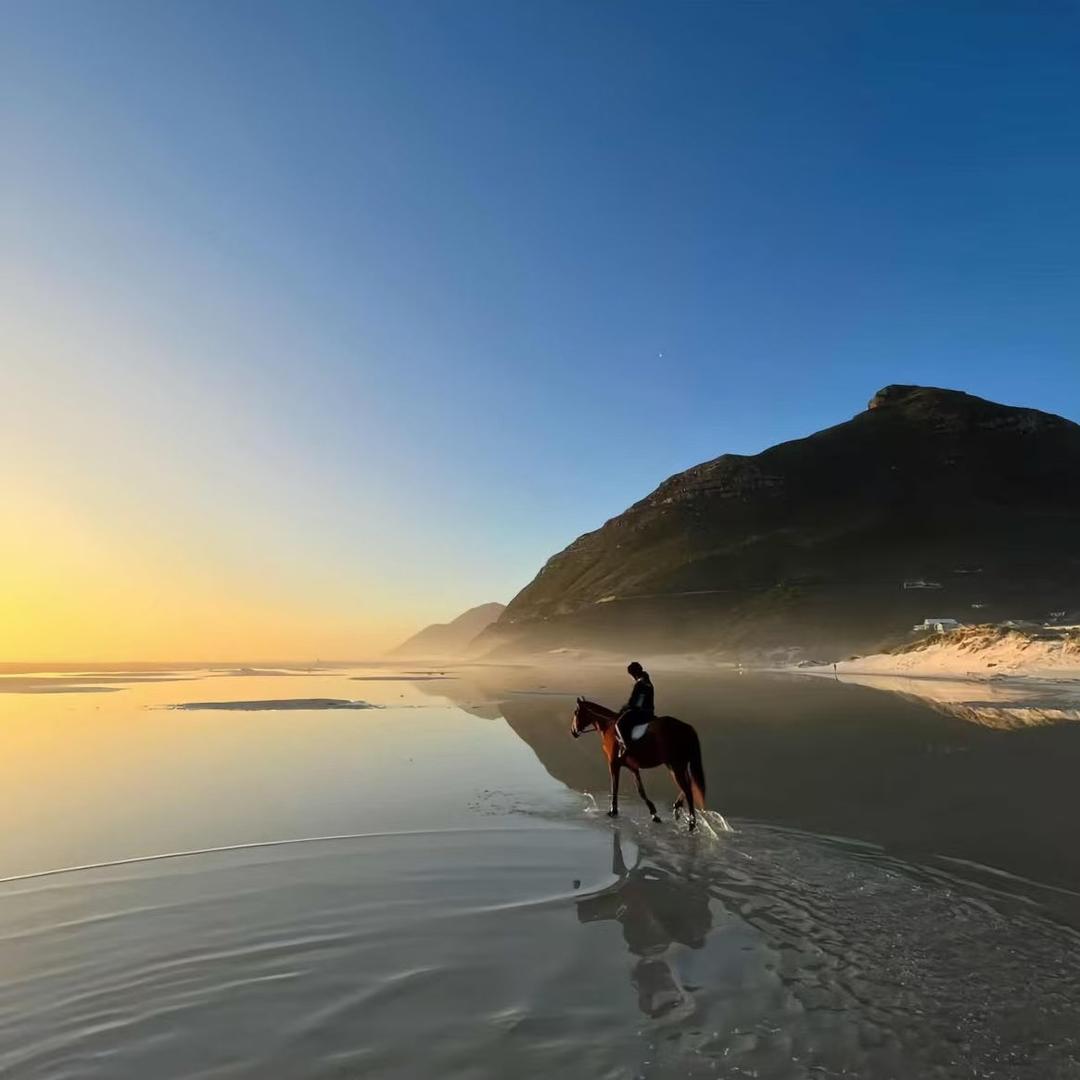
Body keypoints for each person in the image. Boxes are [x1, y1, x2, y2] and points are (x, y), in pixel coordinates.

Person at [615, 661, 654, 756]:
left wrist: (624, 709)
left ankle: (627, 747)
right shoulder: (647, 681)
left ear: (634, 674)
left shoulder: (640, 684)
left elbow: (636, 703)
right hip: (649, 712)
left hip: (641, 713)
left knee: (619, 724)